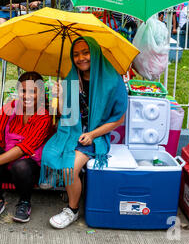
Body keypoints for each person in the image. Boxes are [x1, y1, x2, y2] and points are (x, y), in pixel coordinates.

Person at [40, 36, 128, 229]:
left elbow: (119, 118)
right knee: (49, 152)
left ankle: (72, 209)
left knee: (69, 167)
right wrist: (60, 96)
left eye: (85, 52)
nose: (81, 58)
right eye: (76, 54)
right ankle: (68, 186)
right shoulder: (71, 76)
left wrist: (93, 134)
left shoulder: (112, 79)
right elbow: (65, 115)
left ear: (95, 53)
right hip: (73, 130)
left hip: (96, 136)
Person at [0, 72, 54, 225]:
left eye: (33, 91)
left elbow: (23, 149)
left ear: (40, 94)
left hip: (28, 171)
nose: (27, 95)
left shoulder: (44, 117)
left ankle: (25, 202)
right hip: (5, 166)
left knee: (21, 165)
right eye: (23, 90)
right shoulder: (10, 107)